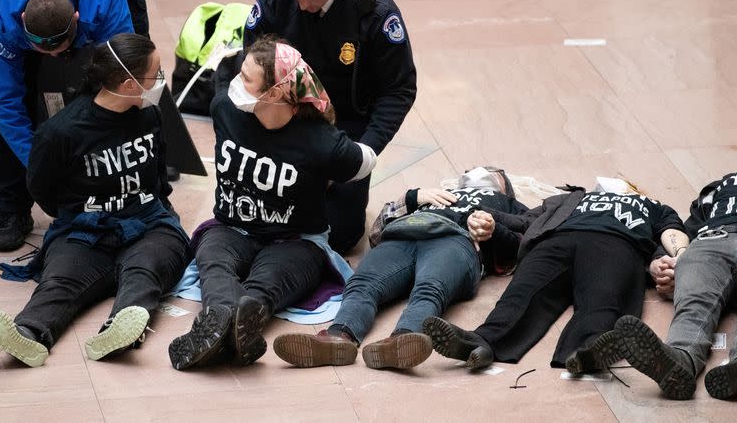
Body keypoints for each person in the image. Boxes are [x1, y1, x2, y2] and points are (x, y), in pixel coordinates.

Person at [0, 33, 188, 367]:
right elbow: (42, 188)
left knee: (144, 273)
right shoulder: (61, 132)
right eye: (155, 74)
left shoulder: (150, 115)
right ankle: (27, 334)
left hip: (149, 225)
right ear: (129, 83)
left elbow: (158, 174)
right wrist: (77, 213)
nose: (159, 81)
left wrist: (161, 212)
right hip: (85, 231)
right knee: (59, 280)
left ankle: (120, 331)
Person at [167, 37, 377, 370]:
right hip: (231, 229)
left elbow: (364, 161)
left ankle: (240, 320)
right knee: (213, 260)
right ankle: (222, 318)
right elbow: (225, 75)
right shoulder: (225, 108)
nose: (238, 82)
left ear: (275, 92)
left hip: (294, 242)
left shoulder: (320, 141)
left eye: (247, 79)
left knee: (268, 282)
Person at [0, 0, 149, 252]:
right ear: (22, 21)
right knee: (13, 91)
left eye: (63, 49)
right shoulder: (3, 10)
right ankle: (12, 207)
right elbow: (1, 99)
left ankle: (144, 170)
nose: (57, 59)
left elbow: (123, 77)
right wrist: (41, 166)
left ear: (78, 19)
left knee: (135, 68)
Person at [242, 0, 417, 254]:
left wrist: (362, 153)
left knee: (340, 236)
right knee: (260, 222)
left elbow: (398, 89)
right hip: (287, 124)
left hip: (347, 131)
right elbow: (250, 77)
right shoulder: (274, 4)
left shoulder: (375, 14)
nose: (303, 6)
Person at [423, 183, 688, 375]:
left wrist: (677, 258)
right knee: (520, 294)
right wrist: (488, 217)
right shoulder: (570, 198)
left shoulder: (650, 205)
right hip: (556, 240)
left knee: (603, 299)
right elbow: (526, 220)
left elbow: (672, 230)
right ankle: (480, 343)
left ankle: (588, 350)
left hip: (616, 244)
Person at [273, 181, 528, 370]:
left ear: (504, 186)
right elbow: (377, 230)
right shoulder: (439, 190)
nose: (479, 173)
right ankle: (338, 336)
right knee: (361, 283)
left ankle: (403, 340)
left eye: (493, 174)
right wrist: (412, 198)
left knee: (431, 288)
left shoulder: (505, 203)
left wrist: (494, 228)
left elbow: (526, 243)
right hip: (403, 234)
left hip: (456, 240)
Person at [598, 172, 737, 400]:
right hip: (711, 241)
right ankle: (679, 360)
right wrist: (666, 263)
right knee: (693, 305)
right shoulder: (719, 186)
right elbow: (687, 230)